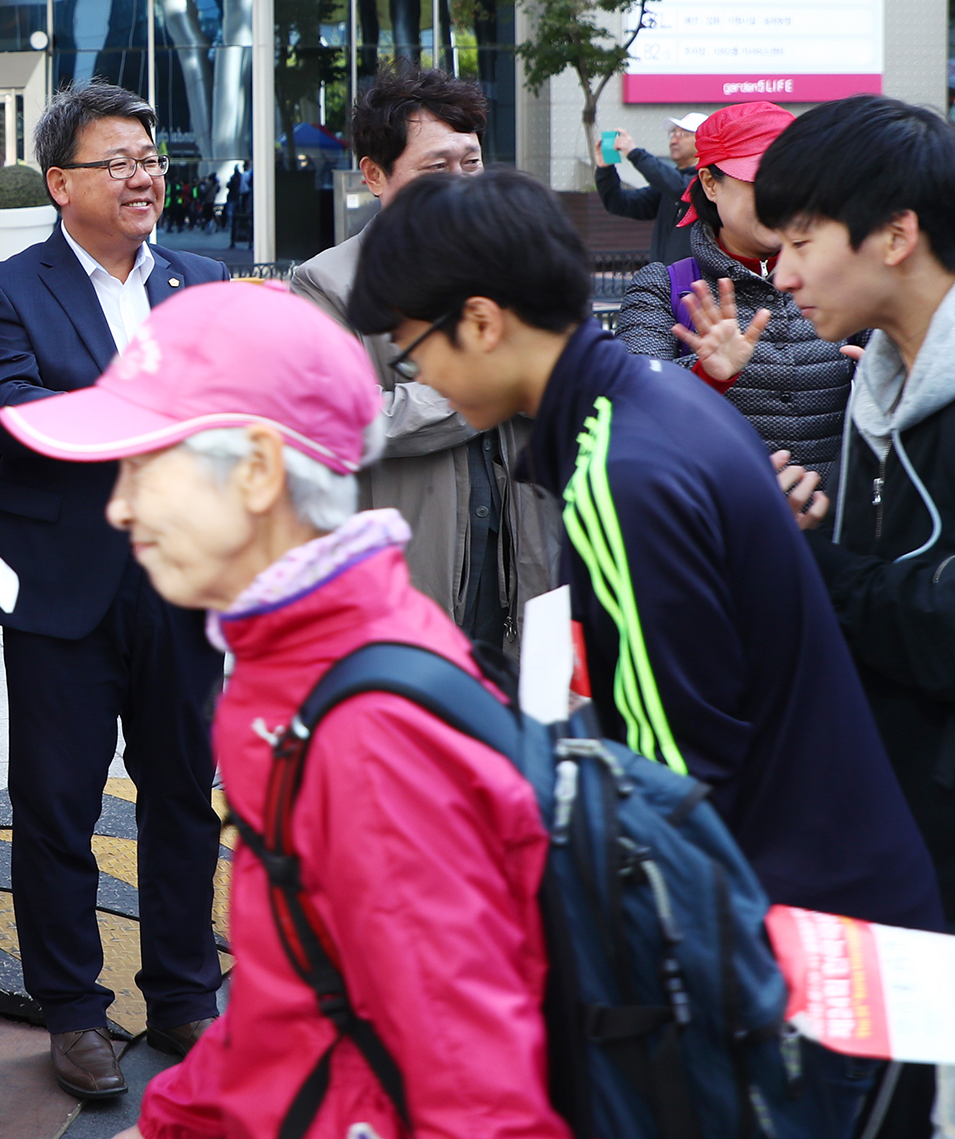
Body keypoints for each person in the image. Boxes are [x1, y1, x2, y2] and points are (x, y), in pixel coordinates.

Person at [345, 166, 943, 1131]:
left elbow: (669, 796)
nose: (425, 381)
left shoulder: (618, 473)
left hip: (790, 968)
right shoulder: (658, 397)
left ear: (485, 321)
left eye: (414, 353)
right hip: (840, 918)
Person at [0, 281, 568, 1139]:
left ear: (261, 470)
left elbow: (474, 1092)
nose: (118, 507)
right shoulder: (286, 670)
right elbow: (288, 995)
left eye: (146, 467)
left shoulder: (368, 728)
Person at [0, 81, 227, 1100]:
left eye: (152, 158)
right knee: (55, 805)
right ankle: (71, 1010)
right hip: (62, 582)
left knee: (180, 795)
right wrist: (149, 409)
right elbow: (11, 410)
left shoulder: (199, 282)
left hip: (177, 577)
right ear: (62, 180)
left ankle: (183, 993)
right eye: (118, 161)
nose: (143, 177)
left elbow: (227, 406)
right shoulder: (8, 288)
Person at [756, 95, 955, 1134]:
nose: (781, 276)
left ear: (895, 234)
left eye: (798, 242)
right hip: (897, 833)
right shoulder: (881, 382)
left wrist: (820, 566)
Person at [293, 65, 558, 646]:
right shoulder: (325, 284)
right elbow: (350, 419)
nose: (462, 184)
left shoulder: (523, 263)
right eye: (436, 169)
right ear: (374, 175)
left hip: (527, 574)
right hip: (409, 582)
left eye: (471, 163)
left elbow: (572, 390)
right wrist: (494, 384)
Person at [616, 102, 858, 486]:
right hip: (718, 535)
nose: (780, 200)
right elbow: (628, 404)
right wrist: (703, 375)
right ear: (710, 184)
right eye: (761, 183)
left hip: (841, 533)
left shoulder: (847, 282)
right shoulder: (662, 288)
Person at [594, 110, 704, 264]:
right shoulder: (669, 186)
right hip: (665, 282)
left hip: (698, 283)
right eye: (672, 134)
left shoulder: (711, 182)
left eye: (683, 134)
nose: (673, 141)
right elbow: (619, 203)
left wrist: (635, 153)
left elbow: (680, 187)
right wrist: (606, 170)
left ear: (705, 142)